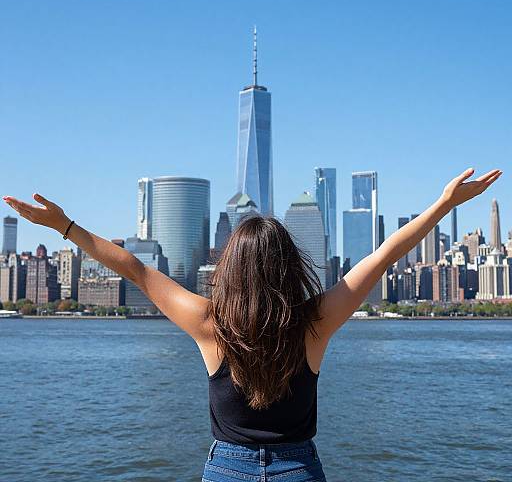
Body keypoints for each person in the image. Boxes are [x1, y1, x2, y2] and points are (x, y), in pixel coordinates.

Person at [3, 167, 502, 481]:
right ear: (289, 267)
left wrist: (65, 227)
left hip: (227, 470)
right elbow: (385, 254)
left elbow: (134, 268)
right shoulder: (316, 322)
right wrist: (444, 205)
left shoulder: (208, 323)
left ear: (232, 270)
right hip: (298, 470)